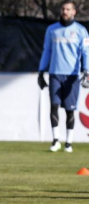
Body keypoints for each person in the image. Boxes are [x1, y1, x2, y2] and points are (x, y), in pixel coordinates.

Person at [38, 0, 89, 153]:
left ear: (74, 12)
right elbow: (47, 51)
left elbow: (86, 53)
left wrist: (86, 70)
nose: (65, 11)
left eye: (68, 9)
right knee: (54, 105)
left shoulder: (81, 31)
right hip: (55, 74)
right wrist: (41, 71)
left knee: (69, 110)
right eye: (63, 9)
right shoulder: (52, 30)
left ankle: (68, 142)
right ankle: (55, 140)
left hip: (72, 76)